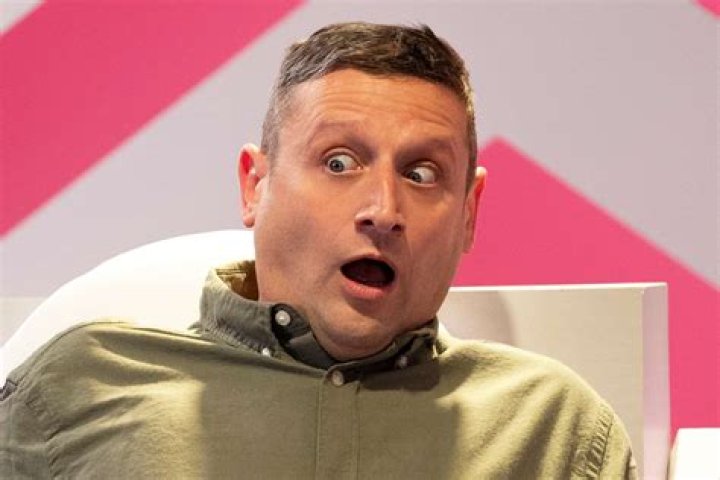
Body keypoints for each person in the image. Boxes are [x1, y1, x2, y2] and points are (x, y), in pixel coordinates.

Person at [0, 22, 636, 478]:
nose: (383, 210)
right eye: (339, 162)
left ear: (469, 213)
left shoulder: (558, 432)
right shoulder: (78, 390)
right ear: (255, 184)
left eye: (421, 173)